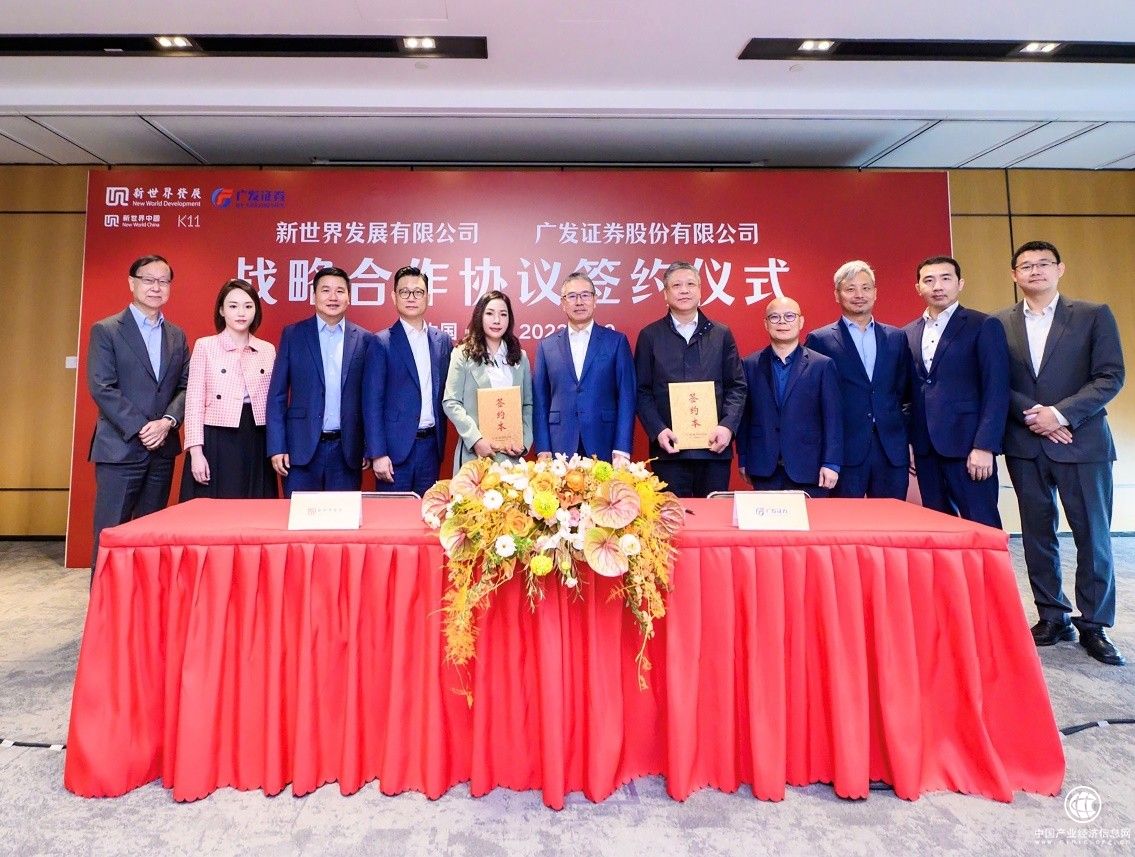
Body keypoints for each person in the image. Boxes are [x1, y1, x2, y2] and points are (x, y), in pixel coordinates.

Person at [996, 240, 1126, 665]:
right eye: (1026, 266)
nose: (1035, 271)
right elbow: (995, 381)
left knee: (1093, 535)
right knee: (1037, 534)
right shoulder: (998, 323)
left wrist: (1060, 414)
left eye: (1043, 264)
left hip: (1082, 441)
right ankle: (1052, 615)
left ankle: (1095, 624)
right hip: (1026, 442)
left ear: (1060, 269)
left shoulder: (1092, 315)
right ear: (1014, 275)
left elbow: (1110, 376)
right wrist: (1035, 416)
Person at [87, 254, 189, 570]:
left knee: (151, 536)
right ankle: (104, 602)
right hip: (120, 449)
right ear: (132, 283)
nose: (156, 287)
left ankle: (145, 602)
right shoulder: (107, 330)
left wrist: (167, 422)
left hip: (161, 450)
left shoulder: (177, 335)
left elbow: (186, 386)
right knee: (112, 533)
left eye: (163, 281)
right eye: (148, 280)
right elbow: (102, 387)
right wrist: (144, 428)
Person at [903, 255, 1008, 528]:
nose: (937, 286)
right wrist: (910, 443)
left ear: (960, 283)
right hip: (926, 451)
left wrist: (985, 445)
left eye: (945, 278)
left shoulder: (983, 325)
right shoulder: (908, 333)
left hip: (969, 448)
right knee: (940, 527)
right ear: (918, 288)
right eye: (929, 280)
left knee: (982, 525)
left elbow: (996, 390)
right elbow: (908, 394)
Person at [634, 261, 747, 497]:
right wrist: (658, 430)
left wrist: (727, 427)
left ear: (700, 291)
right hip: (669, 450)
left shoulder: (721, 334)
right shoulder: (650, 336)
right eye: (676, 285)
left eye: (690, 284)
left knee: (713, 515)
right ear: (665, 294)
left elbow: (736, 386)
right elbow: (641, 391)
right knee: (672, 516)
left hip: (714, 449)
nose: (684, 290)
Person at [806, 260, 911, 499]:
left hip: (890, 449)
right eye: (850, 289)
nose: (859, 295)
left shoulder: (896, 337)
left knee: (891, 519)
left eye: (865, 288)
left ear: (875, 293)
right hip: (844, 450)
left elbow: (904, 391)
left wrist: (901, 429)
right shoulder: (820, 340)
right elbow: (814, 399)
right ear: (837, 294)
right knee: (845, 519)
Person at [266, 266, 375, 496]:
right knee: (299, 517)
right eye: (326, 290)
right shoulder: (293, 335)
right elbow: (277, 396)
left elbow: (370, 400)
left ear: (349, 298)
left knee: (343, 518)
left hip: (347, 451)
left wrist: (368, 446)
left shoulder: (365, 339)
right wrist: (277, 446)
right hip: (299, 450)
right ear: (314, 296)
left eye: (340, 291)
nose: (333, 297)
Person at [179, 279, 277, 500]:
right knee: (214, 507)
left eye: (248, 306)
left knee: (254, 507)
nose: (241, 312)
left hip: (257, 435)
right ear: (222, 310)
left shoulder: (267, 349)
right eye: (233, 306)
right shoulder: (205, 346)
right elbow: (194, 401)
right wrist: (196, 452)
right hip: (217, 435)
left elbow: (275, 402)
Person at [738, 297, 842, 497]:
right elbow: (745, 417)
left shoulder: (822, 365)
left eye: (789, 316)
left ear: (801, 321)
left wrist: (831, 462)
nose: (782, 322)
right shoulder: (749, 364)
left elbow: (833, 418)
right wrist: (743, 458)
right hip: (764, 467)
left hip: (809, 467)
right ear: (766, 324)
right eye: (774, 317)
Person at [365, 265, 453, 496]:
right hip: (394, 453)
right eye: (404, 292)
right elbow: (372, 403)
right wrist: (377, 453)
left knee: (428, 511)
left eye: (418, 292)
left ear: (428, 297)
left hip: (431, 447)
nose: (411, 297)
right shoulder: (381, 342)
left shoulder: (442, 341)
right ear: (394, 297)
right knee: (393, 515)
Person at [533, 272, 636, 465]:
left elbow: (627, 397)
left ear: (595, 300)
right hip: (559, 443)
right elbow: (540, 401)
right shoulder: (546, 346)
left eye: (585, 295)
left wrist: (622, 448)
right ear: (563, 303)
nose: (579, 302)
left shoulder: (616, 342)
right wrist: (543, 448)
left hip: (604, 440)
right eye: (572, 296)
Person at [442, 290, 533, 473]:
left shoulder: (520, 357)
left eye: (503, 314)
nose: (497, 320)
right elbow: (451, 402)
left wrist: (523, 442)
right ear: (480, 316)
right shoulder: (462, 354)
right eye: (490, 313)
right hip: (474, 456)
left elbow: (527, 404)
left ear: (509, 319)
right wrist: (476, 439)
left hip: (511, 459)